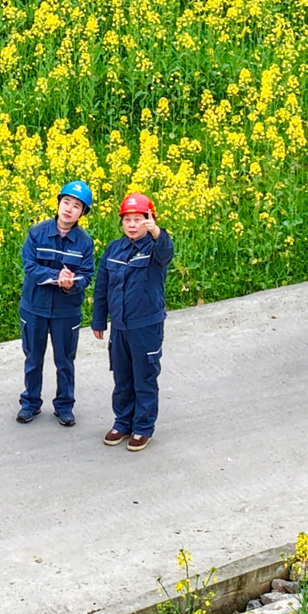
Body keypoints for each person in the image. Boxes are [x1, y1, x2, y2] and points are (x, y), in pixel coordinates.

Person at [91, 192, 173, 452]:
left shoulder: (155, 249)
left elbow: (166, 251)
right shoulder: (114, 249)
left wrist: (157, 233)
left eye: (139, 219)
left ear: (150, 220)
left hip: (146, 326)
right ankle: (122, 423)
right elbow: (102, 286)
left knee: (144, 377)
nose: (132, 224)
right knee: (122, 376)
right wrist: (98, 321)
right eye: (128, 219)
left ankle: (143, 428)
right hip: (120, 327)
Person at [17, 180, 96, 426]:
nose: (69, 209)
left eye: (76, 206)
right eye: (66, 202)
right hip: (34, 306)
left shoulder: (85, 242)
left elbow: (87, 274)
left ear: (82, 213)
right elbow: (29, 266)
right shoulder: (36, 232)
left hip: (66, 310)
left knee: (64, 360)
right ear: (59, 203)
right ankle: (30, 403)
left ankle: (64, 406)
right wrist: (54, 277)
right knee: (33, 358)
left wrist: (73, 283)